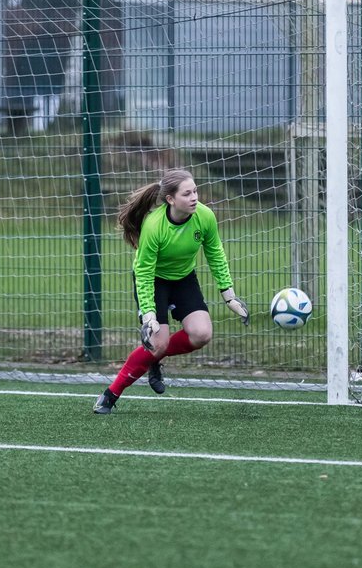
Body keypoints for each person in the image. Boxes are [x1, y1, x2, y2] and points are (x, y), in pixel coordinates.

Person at [94, 168, 249, 414]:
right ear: (170, 199)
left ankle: (155, 356)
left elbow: (215, 253)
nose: (194, 197)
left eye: (195, 191)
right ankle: (111, 394)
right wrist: (149, 315)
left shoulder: (205, 216)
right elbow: (143, 272)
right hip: (153, 281)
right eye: (187, 193)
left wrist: (228, 293)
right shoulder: (154, 226)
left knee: (201, 334)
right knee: (157, 343)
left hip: (184, 278)